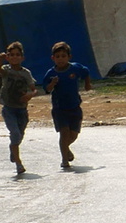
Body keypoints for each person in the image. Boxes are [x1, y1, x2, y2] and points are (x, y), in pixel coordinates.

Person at [40, 41, 94, 170]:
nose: (61, 59)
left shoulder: (75, 68)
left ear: (69, 57)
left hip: (75, 107)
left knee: (73, 135)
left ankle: (66, 147)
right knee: (64, 133)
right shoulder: (51, 73)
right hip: (60, 108)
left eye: (63, 56)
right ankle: (64, 160)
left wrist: (87, 84)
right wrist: (52, 84)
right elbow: (46, 89)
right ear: (53, 58)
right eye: (57, 57)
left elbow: (86, 72)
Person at [0, 43, 37, 176]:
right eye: (11, 55)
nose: (14, 57)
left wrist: (30, 95)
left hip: (21, 109)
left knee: (19, 135)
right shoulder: (6, 70)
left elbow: (34, 89)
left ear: (22, 57)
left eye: (17, 55)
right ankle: (19, 164)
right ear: (8, 57)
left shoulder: (26, 73)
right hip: (8, 108)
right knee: (14, 133)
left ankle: (13, 148)